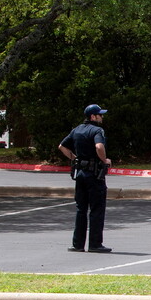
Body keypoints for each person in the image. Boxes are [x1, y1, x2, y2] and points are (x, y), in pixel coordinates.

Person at [59, 104, 112, 253]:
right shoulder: (97, 130)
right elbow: (99, 147)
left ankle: (78, 244)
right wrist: (104, 160)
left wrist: (76, 159)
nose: (102, 117)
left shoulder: (77, 129)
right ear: (93, 116)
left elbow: (62, 146)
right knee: (96, 209)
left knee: (81, 209)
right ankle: (95, 244)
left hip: (80, 173)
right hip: (94, 174)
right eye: (100, 115)